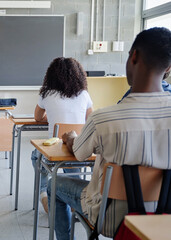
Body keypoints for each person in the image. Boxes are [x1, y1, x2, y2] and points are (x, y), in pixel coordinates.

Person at [51, 27, 171, 240]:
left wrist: (71, 138)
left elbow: (79, 154)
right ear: (168, 67)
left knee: (53, 183)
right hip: (166, 218)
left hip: (110, 219)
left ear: (133, 56)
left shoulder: (104, 119)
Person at [31, 57, 93, 213]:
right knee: (71, 164)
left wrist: (51, 118)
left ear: (51, 75)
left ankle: (44, 191)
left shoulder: (47, 93)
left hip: (54, 149)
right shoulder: (83, 94)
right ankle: (76, 199)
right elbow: (89, 121)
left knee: (35, 155)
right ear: (78, 75)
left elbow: (38, 117)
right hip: (79, 148)